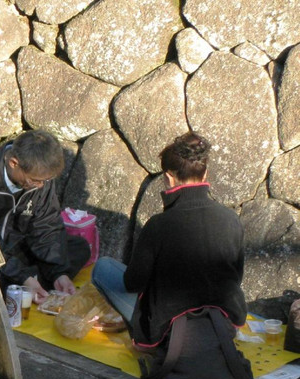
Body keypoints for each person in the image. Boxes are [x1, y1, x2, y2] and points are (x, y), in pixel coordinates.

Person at [90, 132, 245, 347]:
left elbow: (132, 282)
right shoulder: (231, 219)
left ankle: (143, 336)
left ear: (169, 177)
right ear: (205, 173)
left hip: (169, 332)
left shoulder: (159, 224)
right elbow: (235, 277)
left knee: (103, 268)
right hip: (223, 324)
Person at [0, 130, 90, 303]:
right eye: (35, 180)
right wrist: (23, 277)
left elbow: (47, 225)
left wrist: (60, 273)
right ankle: (22, 285)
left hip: (14, 243)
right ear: (14, 163)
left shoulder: (40, 179)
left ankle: (26, 285)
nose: (41, 186)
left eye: (46, 180)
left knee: (79, 247)